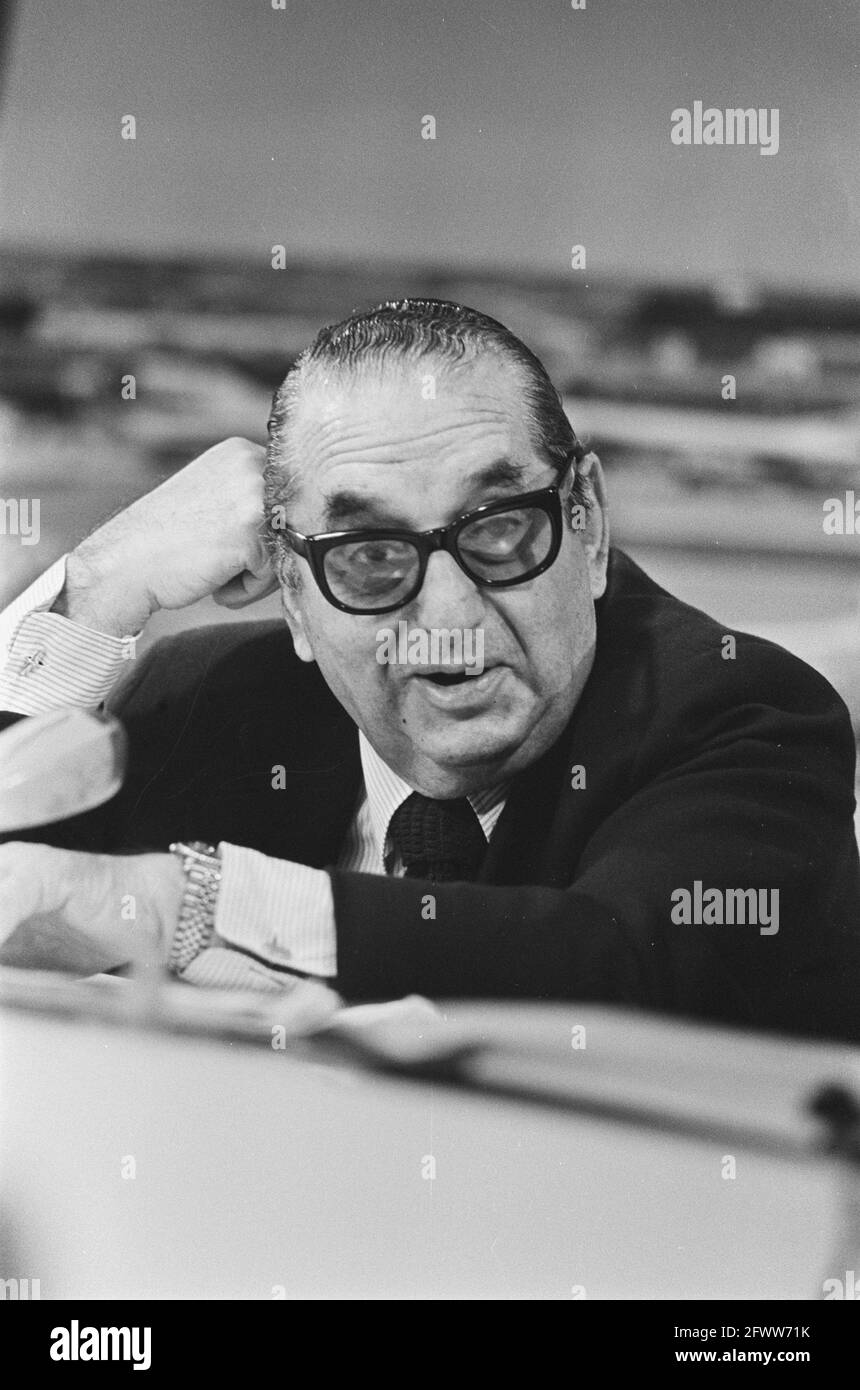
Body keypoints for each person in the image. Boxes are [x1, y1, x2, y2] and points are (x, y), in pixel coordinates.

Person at [1, 298, 858, 1040]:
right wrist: (99, 585)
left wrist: (179, 904)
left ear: (588, 525)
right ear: (294, 598)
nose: (447, 616)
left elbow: (619, 968)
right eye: (370, 554)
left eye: (497, 528)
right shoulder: (204, 700)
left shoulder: (748, 713)